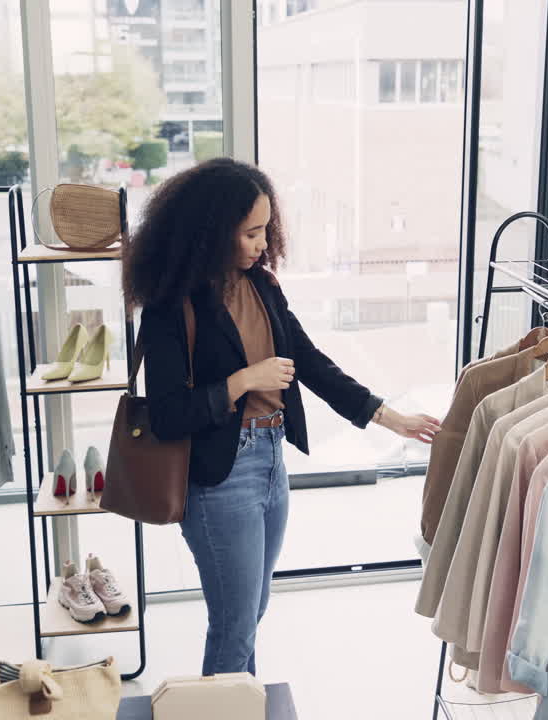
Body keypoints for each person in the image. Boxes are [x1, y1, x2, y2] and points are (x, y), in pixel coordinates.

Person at [123, 158, 442, 676]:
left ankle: (234, 708)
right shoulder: (171, 304)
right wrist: (244, 380)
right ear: (211, 231)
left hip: (271, 461)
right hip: (220, 476)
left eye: (265, 230)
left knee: (251, 613)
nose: (261, 243)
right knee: (235, 624)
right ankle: (222, 711)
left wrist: (389, 417)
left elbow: (310, 361)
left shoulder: (262, 286)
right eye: (249, 233)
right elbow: (167, 414)